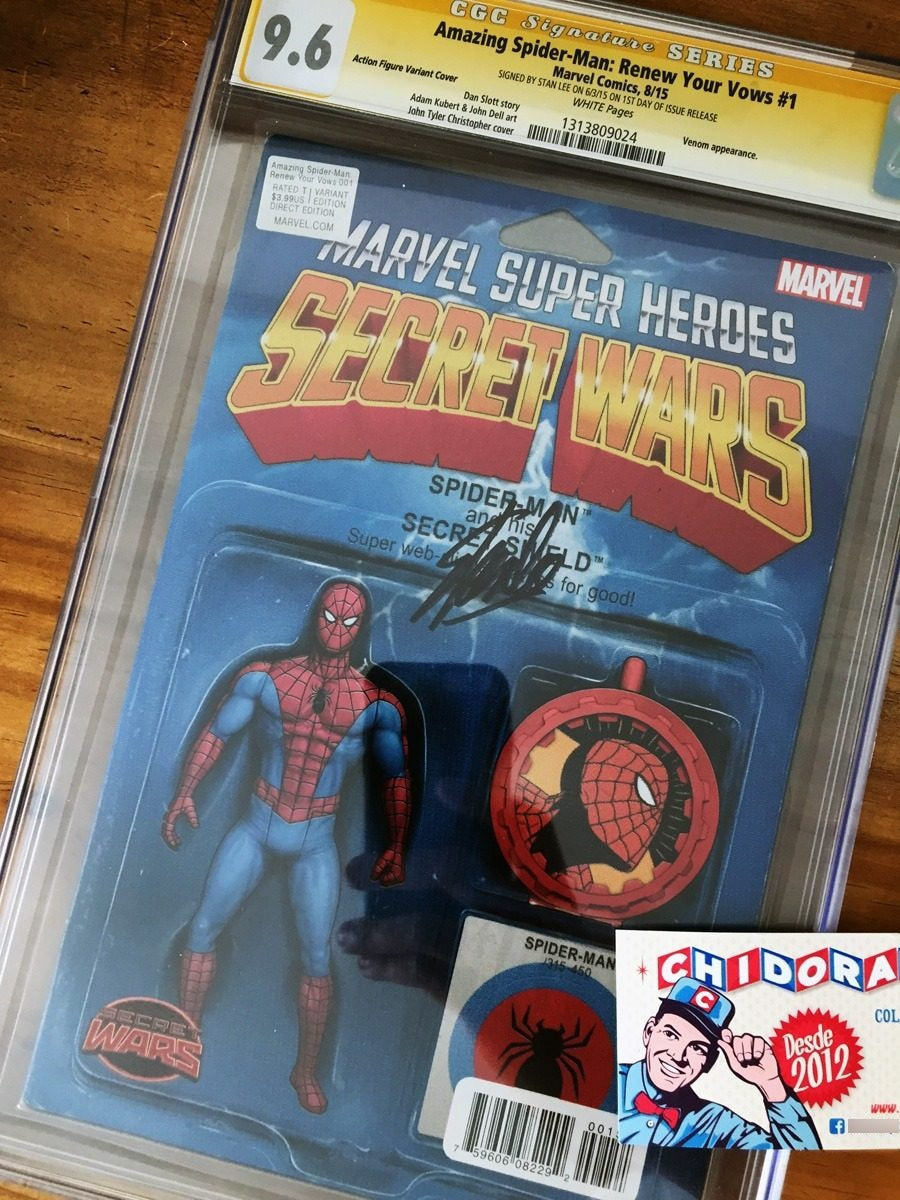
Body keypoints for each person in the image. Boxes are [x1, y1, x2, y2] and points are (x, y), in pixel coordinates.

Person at [161, 578, 412, 1114]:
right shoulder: (267, 678)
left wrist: (396, 845)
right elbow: (217, 732)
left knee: (317, 957)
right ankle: (185, 1033)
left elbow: (395, 776)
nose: (337, 629)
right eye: (329, 616)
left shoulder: (377, 706)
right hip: (257, 824)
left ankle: (305, 1071)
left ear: (361, 627)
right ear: (315, 616)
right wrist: (184, 791)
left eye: (349, 621)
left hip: (316, 841)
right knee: (203, 927)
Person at [618, 976, 821, 1148]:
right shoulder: (612, 1079)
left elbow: (801, 1157)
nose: (678, 1056)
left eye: (697, 1048)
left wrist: (770, 1084)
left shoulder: (716, 1123)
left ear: (709, 1062)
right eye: (671, 1035)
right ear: (649, 1031)